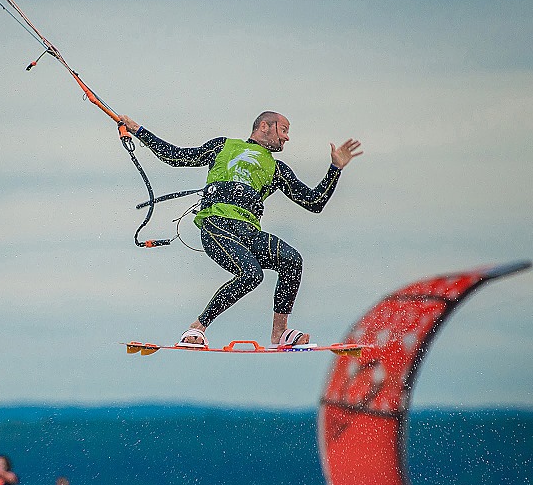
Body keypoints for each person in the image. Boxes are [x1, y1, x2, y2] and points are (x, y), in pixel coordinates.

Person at [118, 111, 362, 348]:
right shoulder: (223, 146)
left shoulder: (278, 169)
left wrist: (335, 168)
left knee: (292, 260)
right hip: (217, 226)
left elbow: (314, 202)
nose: (287, 137)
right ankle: (197, 327)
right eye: (283, 130)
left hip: (249, 233)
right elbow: (176, 157)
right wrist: (138, 130)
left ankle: (280, 333)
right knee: (251, 274)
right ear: (264, 126)